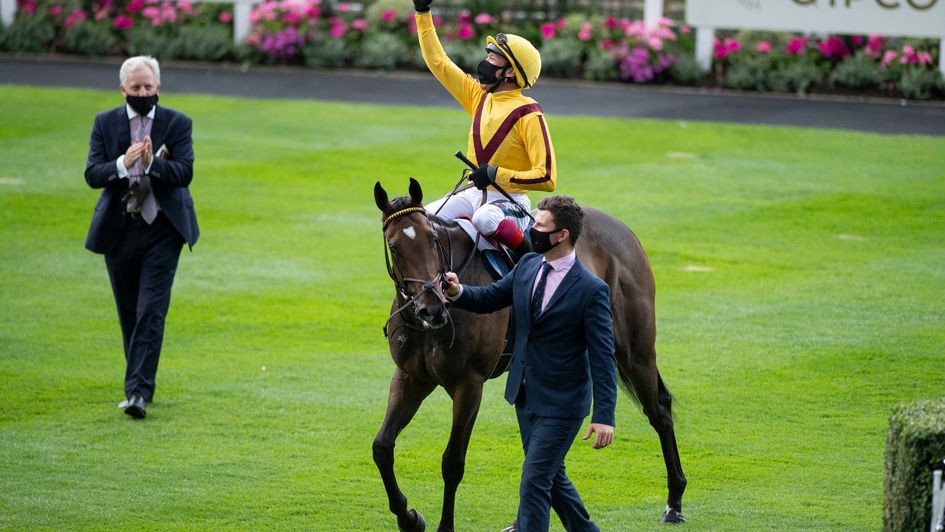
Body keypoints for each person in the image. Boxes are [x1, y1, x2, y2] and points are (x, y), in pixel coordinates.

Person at [444, 196, 617, 532]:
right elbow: (491, 297)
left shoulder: (591, 290)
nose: (531, 230)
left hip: (563, 404)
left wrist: (604, 416)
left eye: (540, 225)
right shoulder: (527, 266)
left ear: (562, 235)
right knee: (552, 479)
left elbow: (602, 355)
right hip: (525, 396)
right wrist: (458, 291)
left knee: (534, 482)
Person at [84, 55, 199, 419]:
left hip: (164, 230)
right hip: (120, 229)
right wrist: (123, 163)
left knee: (151, 308)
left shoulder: (177, 123)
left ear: (158, 88)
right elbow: (92, 173)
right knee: (130, 312)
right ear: (123, 90)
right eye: (136, 88)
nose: (143, 92)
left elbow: (184, 173)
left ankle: (136, 392)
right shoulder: (105, 123)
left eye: (149, 87)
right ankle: (138, 381)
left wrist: (151, 164)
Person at [414, 0, 557, 255]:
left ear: (510, 72)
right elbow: (438, 62)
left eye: (492, 58)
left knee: (484, 219)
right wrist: (423, 13)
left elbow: (547, 177)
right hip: (472, 195)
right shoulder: (479, 97)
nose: (485, 64)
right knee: (422, 221)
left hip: (509, 202)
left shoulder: (529, 113)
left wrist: (495, 175)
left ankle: (531, 263)